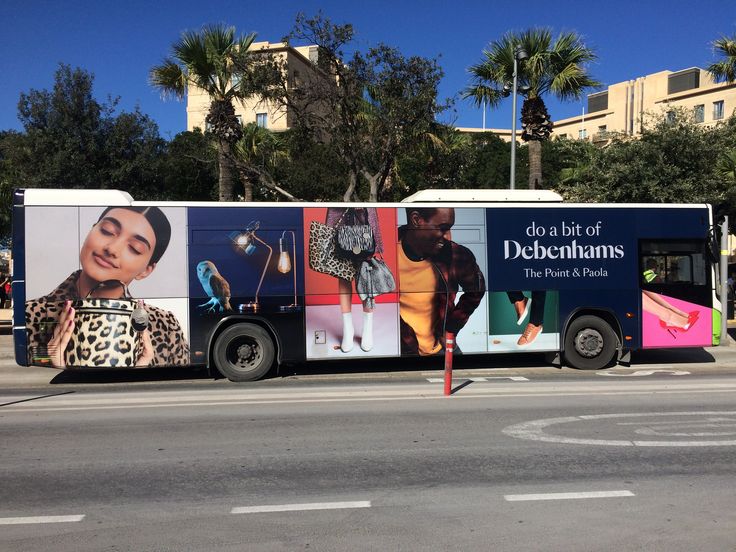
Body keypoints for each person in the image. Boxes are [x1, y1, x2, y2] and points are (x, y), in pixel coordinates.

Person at [25, 206, 189, 368]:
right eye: (107, 231)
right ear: (90, 231)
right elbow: (33, 369)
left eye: (134, 248)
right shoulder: (31, 314)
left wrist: (136, 374)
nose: (112, 249)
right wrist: (51, 362)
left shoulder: (165, 325)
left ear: (146, 270)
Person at [398, 207, 485, 355]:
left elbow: (476, 290)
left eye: (449, 229)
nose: (448, 237)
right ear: (416, 220)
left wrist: (451, 328)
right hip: (400, 350)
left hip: (441, 349)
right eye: (442, 228)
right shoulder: (383, 251)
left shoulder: (456, 255)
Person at [325, 207, 383, 352]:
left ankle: (367, 329)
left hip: (363, 220)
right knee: (343, 274)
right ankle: (348, 328)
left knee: (366, 276)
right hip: (340, 212)